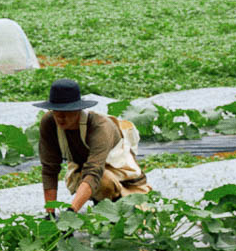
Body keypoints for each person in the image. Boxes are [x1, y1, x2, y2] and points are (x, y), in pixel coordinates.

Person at [35, 78, 151, 214]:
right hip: (85, 169)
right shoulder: (49, 122)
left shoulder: (99, 126)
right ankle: (101, 201)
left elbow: (94, 172)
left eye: (66, 112)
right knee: (92, 180)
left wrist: (71, 212)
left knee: (103, 182)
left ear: (78, 110)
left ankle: (116, 204)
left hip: (122, 175)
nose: (60, 117)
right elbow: (49, 169)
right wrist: (50, 213)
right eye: (56, 111)